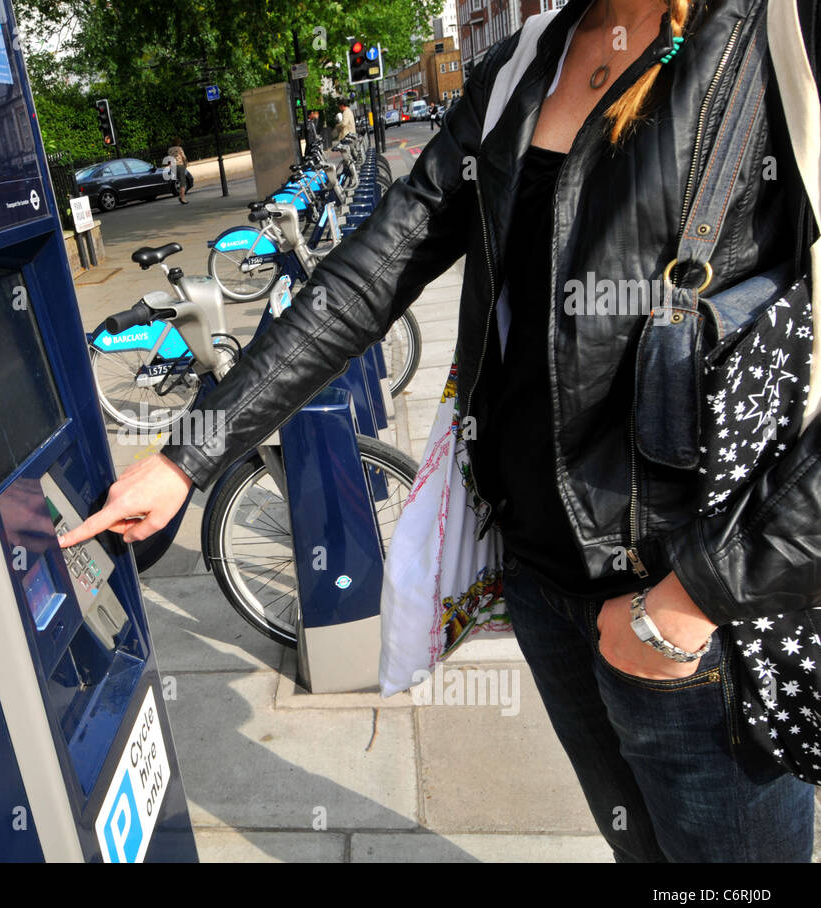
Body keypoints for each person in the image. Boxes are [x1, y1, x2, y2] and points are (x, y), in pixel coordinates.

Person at [62, 0, 821, 862]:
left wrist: (692, 602)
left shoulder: (779, 32)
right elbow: (374, 269)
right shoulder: (531, 58)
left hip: (697, 614)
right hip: (543, 588)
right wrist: (188, 453)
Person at [167, 138, 188, 205]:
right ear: (178, 142)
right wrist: (186, 164)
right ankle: (182, 198)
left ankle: (181, 196)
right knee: (183, 182)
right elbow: (184, 157)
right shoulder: (179, 149)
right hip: (179, 165)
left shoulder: (169, 150)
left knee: (178, 180)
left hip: (173, 167)